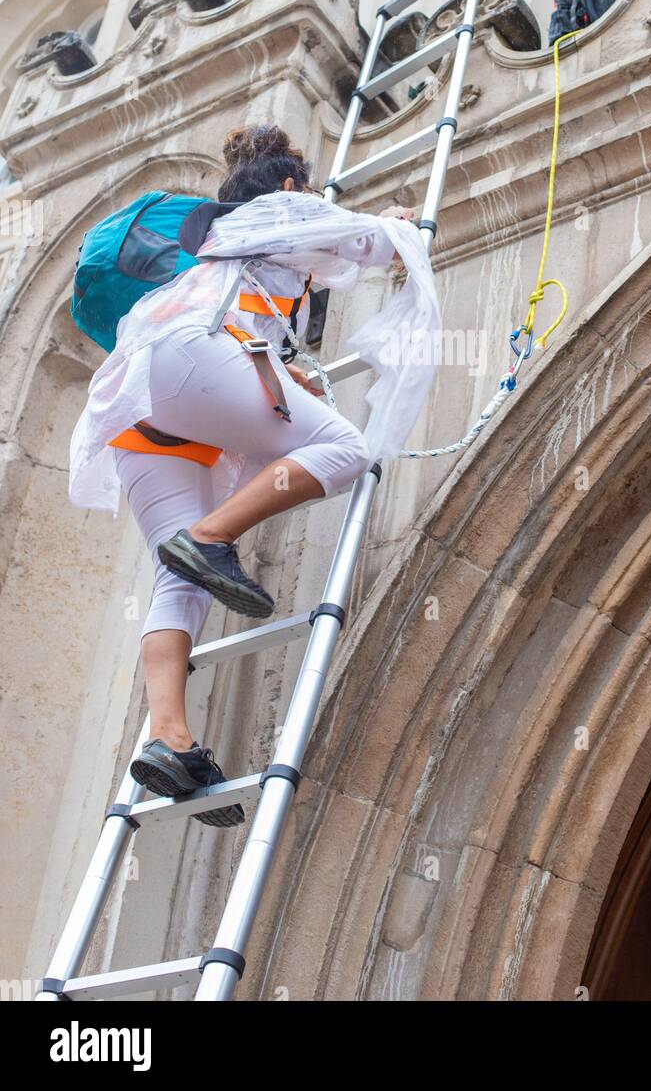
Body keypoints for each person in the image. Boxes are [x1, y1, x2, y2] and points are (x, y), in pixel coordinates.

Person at [68, 124, 440, 825]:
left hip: (142, 409)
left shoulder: (221, 247)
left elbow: (245, 332)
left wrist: (283, 370)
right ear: (293, 184)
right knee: (343, 449)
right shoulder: (279, 212)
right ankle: (213, 537)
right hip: (190, 365)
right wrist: (395, 224)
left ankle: (169, 740)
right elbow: (365, 242)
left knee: (176, 586)